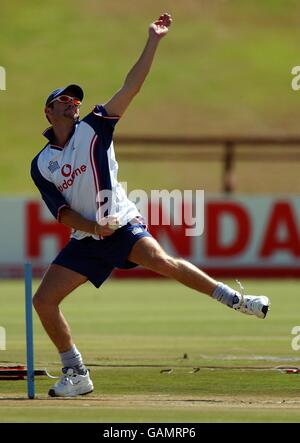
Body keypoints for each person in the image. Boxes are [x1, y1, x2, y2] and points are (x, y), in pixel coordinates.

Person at [31, 13, 270, 398]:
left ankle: (238, 300)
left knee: (165, 263)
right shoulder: (42, 163)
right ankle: (76, 373)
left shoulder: (94, 126)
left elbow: (131, 86)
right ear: (49, 111)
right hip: (88, 237)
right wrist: (93, 229)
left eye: (76, 98)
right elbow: (62, 213)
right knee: (43, 300)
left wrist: (153, 40)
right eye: (64, 100)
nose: (73, 103)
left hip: (121, 224)